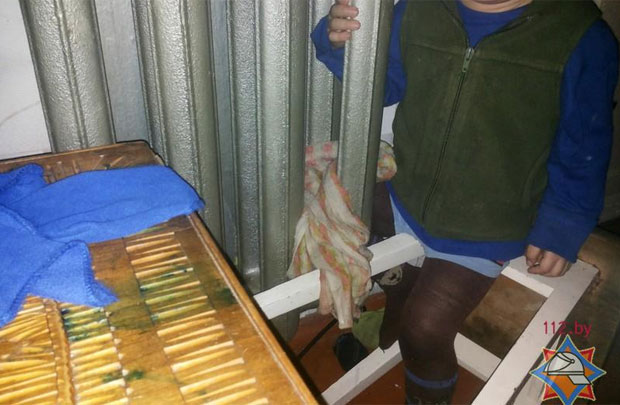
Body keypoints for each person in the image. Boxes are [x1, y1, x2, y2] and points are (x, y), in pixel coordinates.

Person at [312, 0, 618, 403]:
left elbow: (584, 141)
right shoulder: (417, 9)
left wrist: (564, 223)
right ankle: (389, 330)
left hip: (488, 224)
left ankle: (422, 389)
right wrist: (339, 45)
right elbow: (383, 83)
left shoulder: (582, 37)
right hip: (408, 192)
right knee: (377, 255)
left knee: (425, 327)